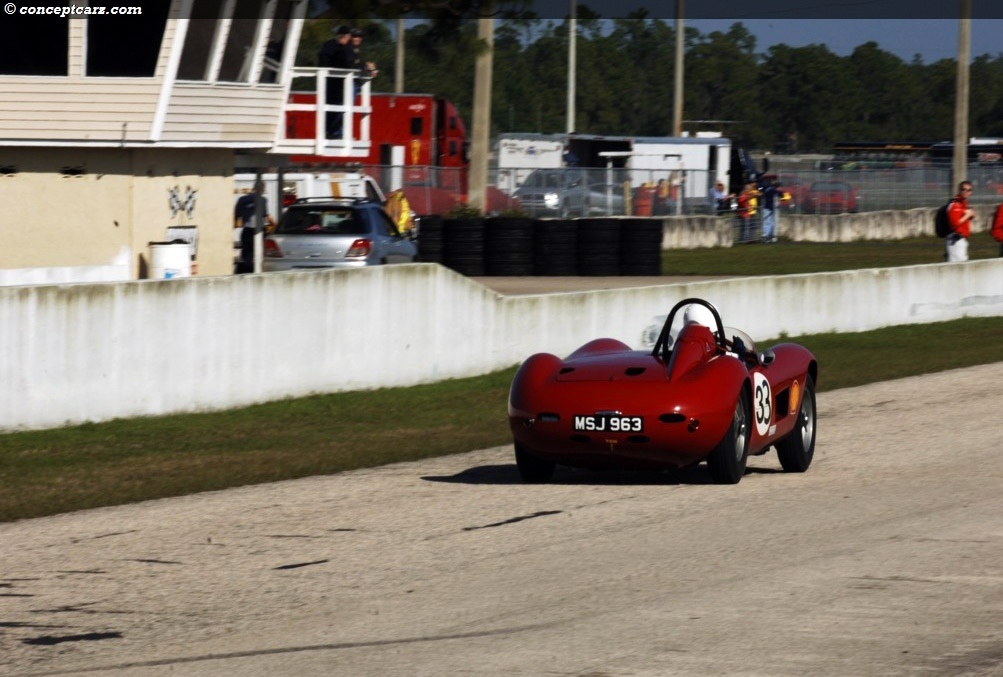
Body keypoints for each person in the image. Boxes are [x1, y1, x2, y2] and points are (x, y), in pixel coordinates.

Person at [317, 26, 354, 139]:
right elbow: (324, 62)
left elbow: (349, 63)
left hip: (341, 84)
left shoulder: (346, 47)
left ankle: (335, 132)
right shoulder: (330, 46)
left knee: (339, 109)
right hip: (330, 82)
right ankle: (330, 132)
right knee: (330, 108)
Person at [233, 181, 276, 274]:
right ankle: (258, 271)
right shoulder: (263, 199)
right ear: (262, 189)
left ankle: (247, 271)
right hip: (259, 231)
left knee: (247, 253)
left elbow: (236, 216)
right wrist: (276, 226)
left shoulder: (241, 199)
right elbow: (267, 216)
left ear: (253, 188)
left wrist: (234, 227)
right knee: (260, 252)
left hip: (247, 230)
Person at [946, 180, 975, 262]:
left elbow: (965, 217)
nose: (966, 192)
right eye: (963, 189)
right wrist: (967, 215)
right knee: (957, 269)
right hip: (955, 240)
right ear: (959, 190)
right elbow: (954, 224)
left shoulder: (964, 203)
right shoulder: (955, 204)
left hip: (962, 239)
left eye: (969, 190)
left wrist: (970, 215)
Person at [759, 176, 779, 243]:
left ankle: (768, 236)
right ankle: (767, 236)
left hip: (769, 208)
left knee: (769, 222)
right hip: (768, 208)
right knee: (769, 222)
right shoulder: (770, 190)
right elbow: (777, 193)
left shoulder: (768, 190)